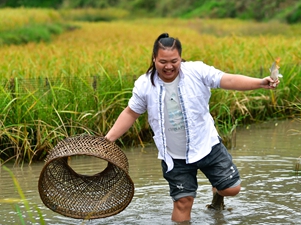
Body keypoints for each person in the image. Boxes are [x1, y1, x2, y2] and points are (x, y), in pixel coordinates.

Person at [105, 33, 280, 222]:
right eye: (163, 61)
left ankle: (217, 193)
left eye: (174, 61)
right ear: (154, 59)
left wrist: (259, 83)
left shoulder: (197, 71)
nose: (169, 66)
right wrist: (107, 141)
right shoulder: (144, 85)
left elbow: (226, 80)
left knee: (231, 189)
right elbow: (131, 113)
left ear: (181, 58)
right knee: (183, 202)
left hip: (206, 145)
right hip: (174, 156)